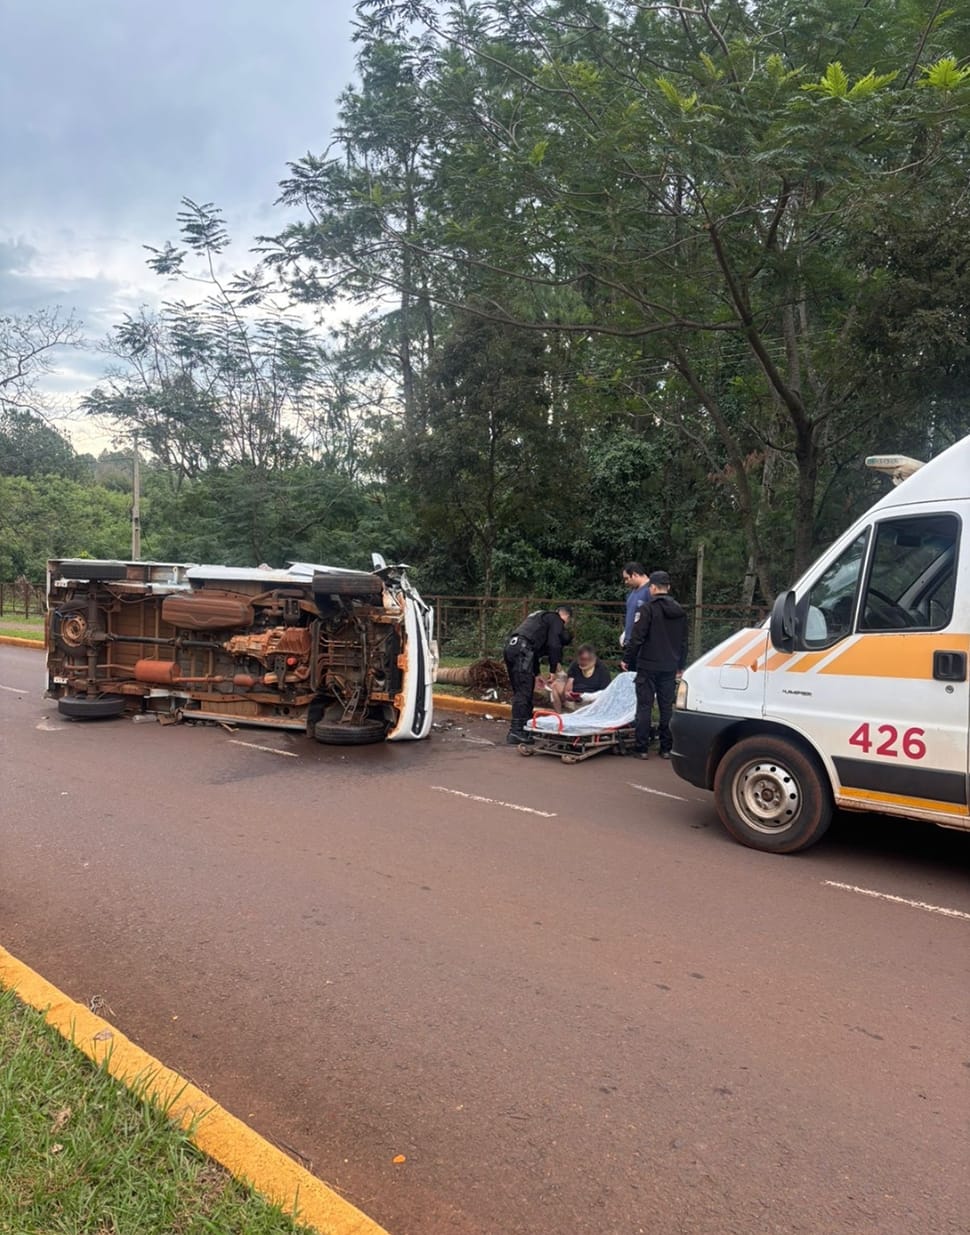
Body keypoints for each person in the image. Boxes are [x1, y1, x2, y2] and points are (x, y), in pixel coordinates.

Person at [623, 571, 688, 759]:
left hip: (648, 664)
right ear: (668, 588)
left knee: (645, 706)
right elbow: (684, 641)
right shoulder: (679, 611)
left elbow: (637, 637)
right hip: (670, 665)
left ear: (652, 588)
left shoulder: (648, 609)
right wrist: (680, 665)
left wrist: (628, 659)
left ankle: (641, 748)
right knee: (666, 706)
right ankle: (666, 748)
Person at [503, 606, 573, 744]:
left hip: (512, 648)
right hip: (523, 650)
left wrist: (537, 674)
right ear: (567, 617)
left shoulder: (539, 618)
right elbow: (554, 645)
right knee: (524, 692)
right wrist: (553, 670)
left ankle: (525, 727)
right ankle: (516, 731)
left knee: (522, 690)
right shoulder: (556, 619)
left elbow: (532, 650)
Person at [550, 643, 611, 713]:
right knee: (555, 686)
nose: (581, 662)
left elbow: (605, 692)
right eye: (580, 659)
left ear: (592, 658)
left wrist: (584, 697)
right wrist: (567, 692)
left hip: (591, 702)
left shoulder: (602, 669)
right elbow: (570, 681)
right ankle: (559, 716)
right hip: (574, 698)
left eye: (584, 659)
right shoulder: (575, 664)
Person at [621, 562, 652, 648]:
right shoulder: (633, 592)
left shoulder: (650, 590)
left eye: (627, 578)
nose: (626, 582)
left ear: (634, 575)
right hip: (631, 642)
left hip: (643, 643)